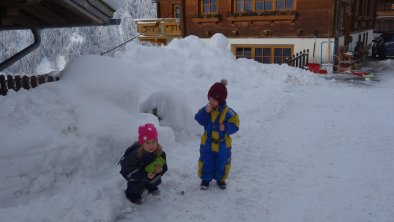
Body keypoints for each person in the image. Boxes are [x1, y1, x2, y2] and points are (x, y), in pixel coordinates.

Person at [194, 79, 240, 190]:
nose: (211, 102)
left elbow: (236, 124)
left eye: (214, 100)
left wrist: (226, 128)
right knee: (206, 160)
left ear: (221, 100)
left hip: (222, 143)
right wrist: (205, 112)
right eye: (209, 98)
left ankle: (221, 179)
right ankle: (205, 179)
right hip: (208, 142)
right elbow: (199, 119)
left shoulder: (228, 112)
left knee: (222, 162)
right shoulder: (207, 109)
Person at [121, 123, 168, 204]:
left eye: (154, 142)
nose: (151, 145)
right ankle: (132, 195)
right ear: (142, 143)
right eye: (147, 142)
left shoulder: (159, 152)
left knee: (157, 178)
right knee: (138, 183)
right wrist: (145, 174)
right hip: (135, 175)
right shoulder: (135, 154)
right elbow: (128, 171)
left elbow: (164, 166)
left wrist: (161, 169)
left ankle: (151, 187)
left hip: (150, 173)